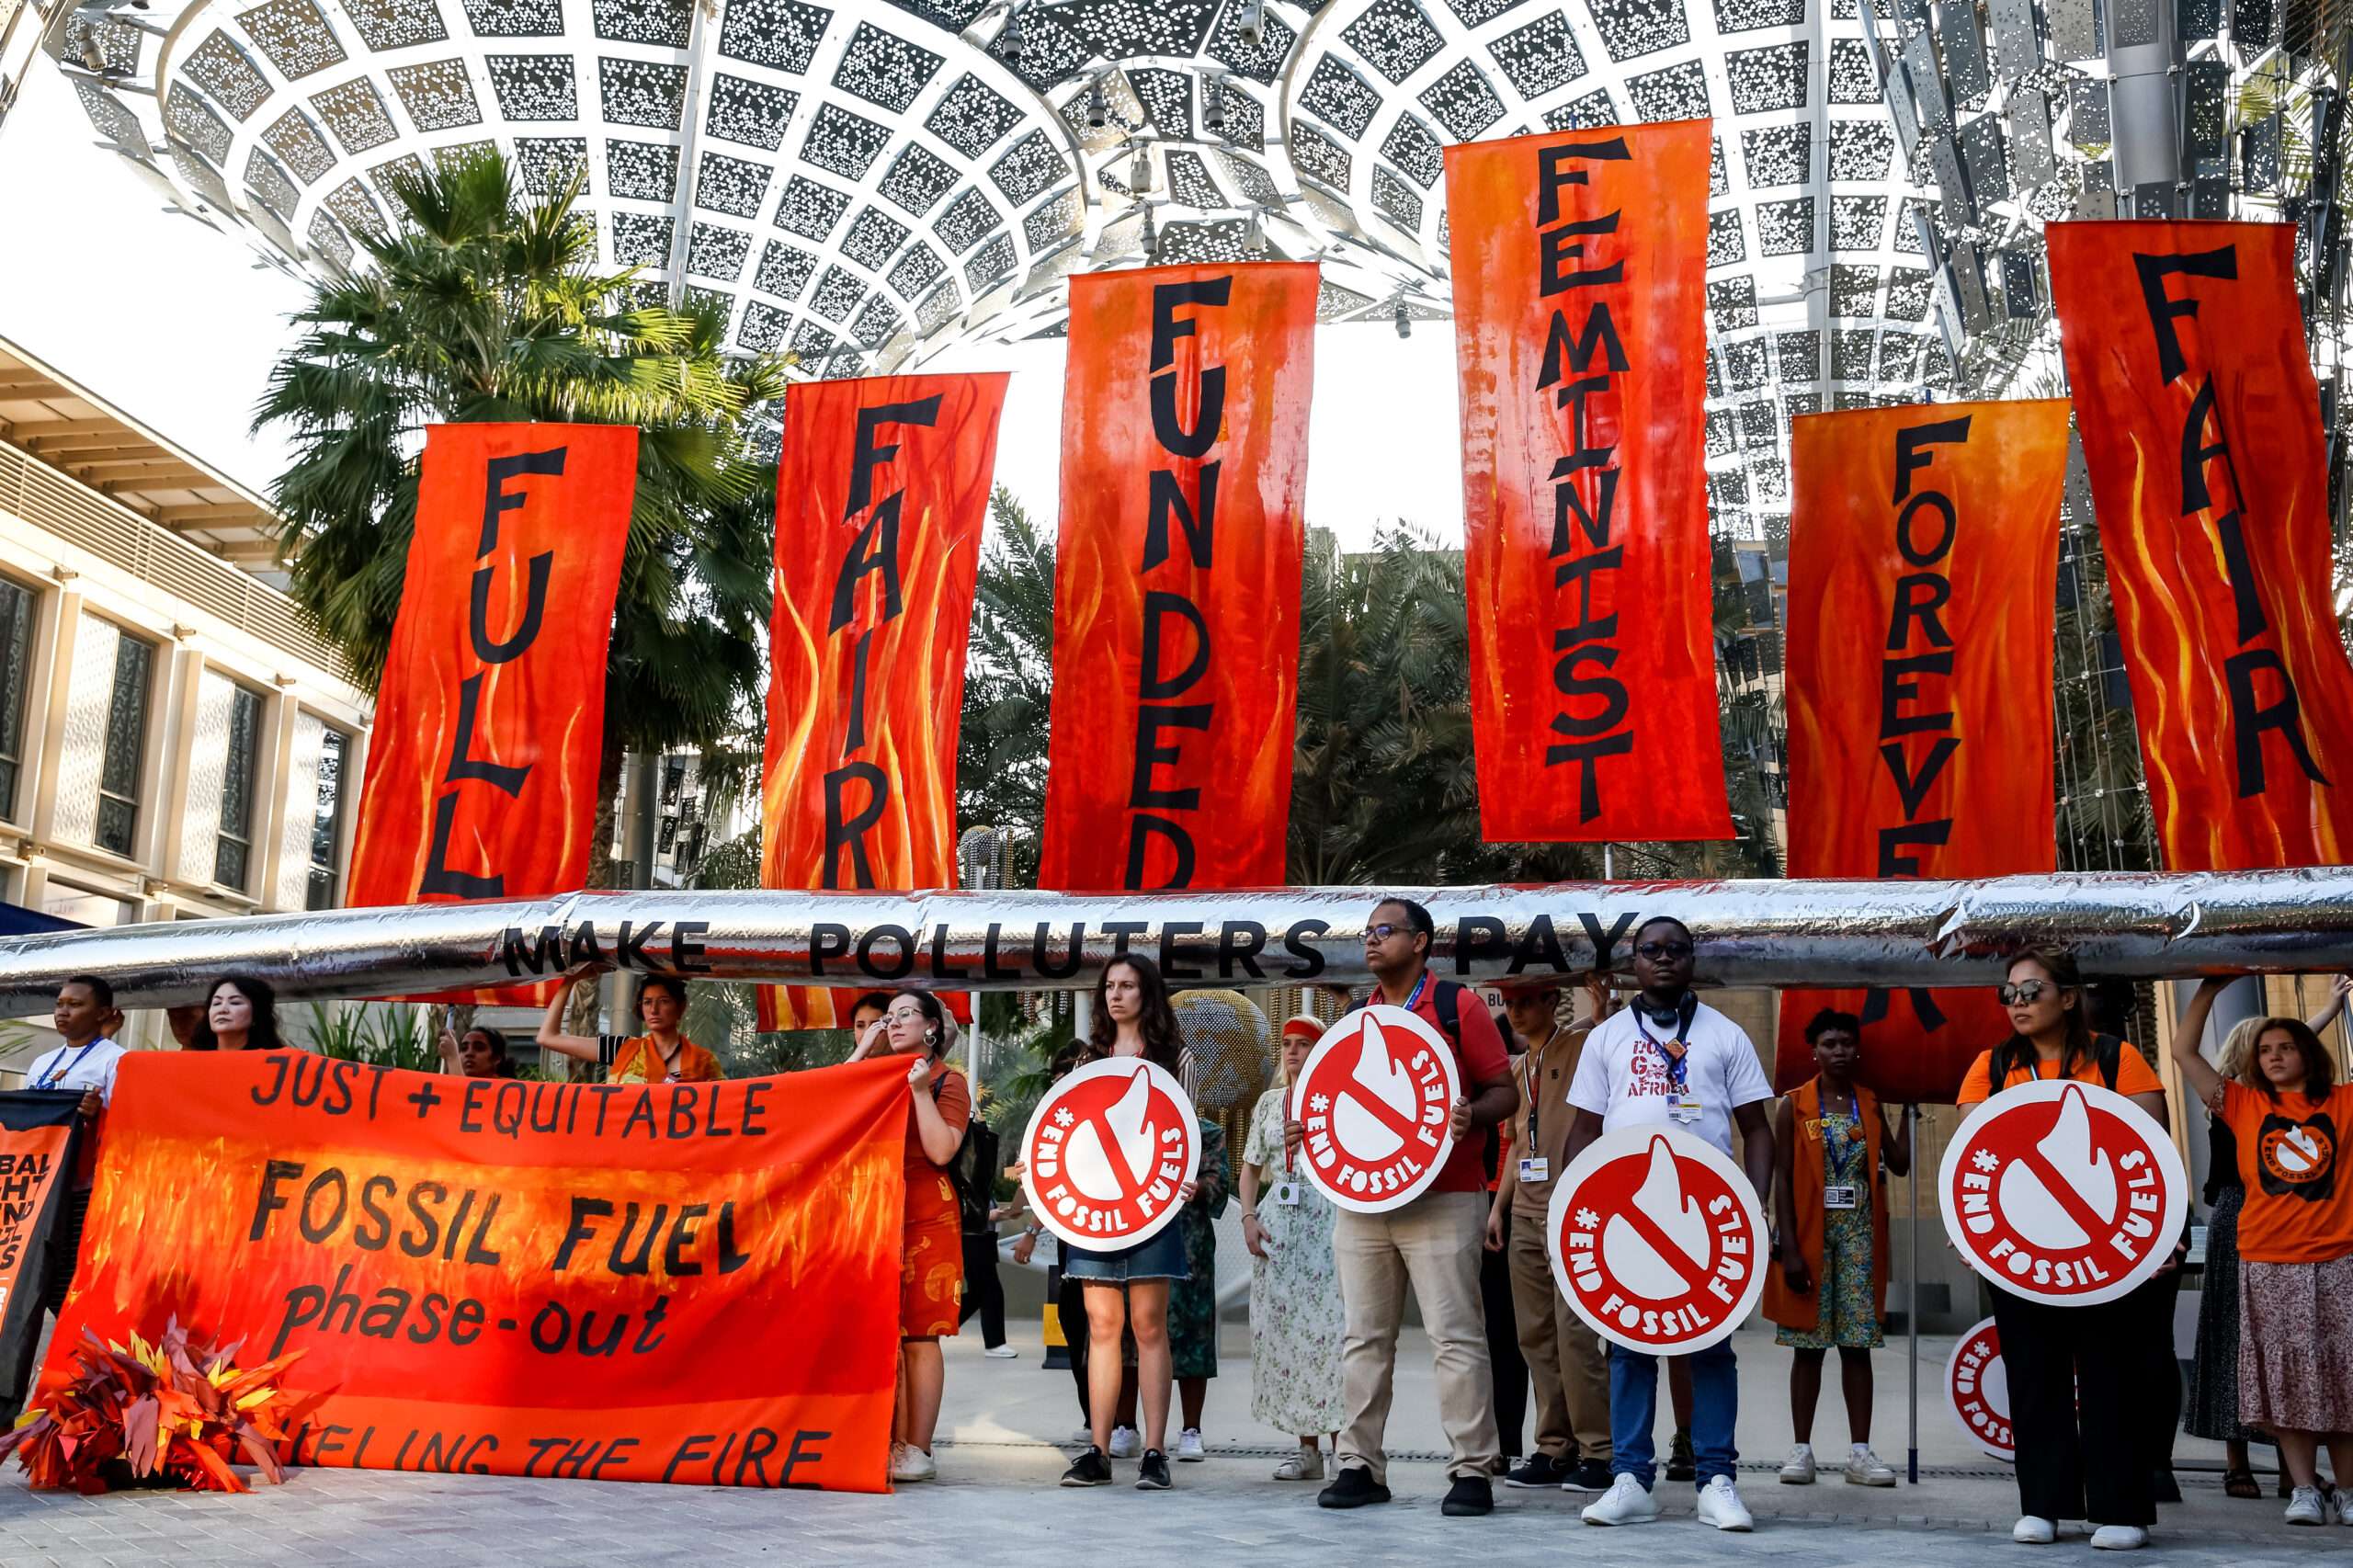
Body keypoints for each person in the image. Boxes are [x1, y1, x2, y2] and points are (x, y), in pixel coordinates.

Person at [1297, 897, 1517, 1518]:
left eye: (1385, 931)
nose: (1372, 941)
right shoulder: (1356, 1016)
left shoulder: (1457, 1006)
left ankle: (1472, 1470)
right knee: (1363, 1338)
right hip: (1364, 1201)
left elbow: (1503, 1090)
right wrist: (1306, 1132)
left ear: (1420, 943)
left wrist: (1473, 1112)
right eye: (1367, 932)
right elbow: (1334, 1106)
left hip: (1445, 1196)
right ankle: (1359, 1465)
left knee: (1456, 1337)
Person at [1565, 915, 1775, 1531]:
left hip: (1707, 1223)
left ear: (1691, 961)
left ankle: (1717, 1480)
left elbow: (1758, 1132)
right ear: (1634, 961)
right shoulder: (1605, 1038)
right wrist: (1570, 1213)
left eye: (1675, 951)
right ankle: (1630, 1478)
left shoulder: (1726, 1035)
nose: (1663, 959)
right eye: (1651, 950)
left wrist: (1754, 1209)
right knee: (1628, 1348)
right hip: (1625, 1222)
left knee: (1711, 1348)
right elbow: (1582, 1131)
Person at [1957, 947, 2169, 1551]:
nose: (2018, 1004)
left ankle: (2120, 1509)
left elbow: (2148, 1155)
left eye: (2032, 991)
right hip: (2023, 1254)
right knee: (2032, 1375)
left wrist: (2156, 1238)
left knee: (2112, 1375)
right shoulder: (1991, 1067)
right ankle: (2044, 1505)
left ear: (2068, 997)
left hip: (2104, 1253)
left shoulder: (2116, 1058)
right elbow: (1976, 1159)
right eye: (2010, 994)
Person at [2169, 978, 2353, 1527]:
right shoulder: (2243, 1106)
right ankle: (2303, 1489)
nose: (2273, 1057)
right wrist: (2209, 987)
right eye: (2264, 1050)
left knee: (2344, 1376)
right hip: (2270, 1260)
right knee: (2286, 1377)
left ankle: (2346, 1488)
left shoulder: (2343, 1103)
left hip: (2340, 1258)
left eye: (2286, 1047)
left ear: (2308, 1053)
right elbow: (2182, 1051)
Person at [1053, 954, 1199, 1492]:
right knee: (1102, 1328)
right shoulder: (1084, 1061)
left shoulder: (1173, 1058)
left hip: (1153, 1206)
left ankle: (1155, 1451)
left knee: (1149, 1325)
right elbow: (1064, 1133)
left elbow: (1184, 1129)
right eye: (1110, 986)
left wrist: (1186, 1181)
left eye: (1129, 986)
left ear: (1147, 994)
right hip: (1095, 1209)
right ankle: (1099, 1448)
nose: (1117, 995)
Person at [1763, 1008, 1908, 1487]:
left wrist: (1908, 1108)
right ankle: (1801, 1450)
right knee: (1808, 1348)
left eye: (1847, 1043)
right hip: (1810, 1238)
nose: (1840, 1051)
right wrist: (1788, 1245)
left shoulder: (1868, 1102)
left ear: (1857, 1048)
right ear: (1814, 1051)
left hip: (1859, 1241)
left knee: (1856, 1347)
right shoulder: (1794, 1104)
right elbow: (1782, 1177)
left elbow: (1901, 1163)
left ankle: (1860, 1454)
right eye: (1830, 1044)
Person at [1487, 977, 1613, 1493]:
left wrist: (1603, 1008)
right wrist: (1499, 1209)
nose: (1514, 1012)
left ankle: (1599, 1451)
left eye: (1524, 1002)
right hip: (1523, 1216)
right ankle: (1553, 1447)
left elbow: (1609, 1042)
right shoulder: (1519, 1069)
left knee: (1575, 1334)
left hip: (1572, 1212)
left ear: (1549, 1002)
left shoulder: (1580, 1046)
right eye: (1509, 1003)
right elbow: (1518, 1146)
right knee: (1534, 1335)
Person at [848, 987, 971, 1483]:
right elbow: (829, 1104)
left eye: (905, 1016)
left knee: (921, 1334)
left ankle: (917, 1446)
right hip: (875, 1210)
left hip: (925, 1215)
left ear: (932, 1028)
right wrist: (863, 1051)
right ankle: (880, 1439)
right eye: (887, 1018)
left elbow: (942, 1151)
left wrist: (920, 1091)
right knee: (876, 1331)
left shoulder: (947, 1082)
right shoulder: (874, 1075)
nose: (893, 1024)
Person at [2, 976, 129, 1422]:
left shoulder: (118, 1062)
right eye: (59, 1003)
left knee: (71, 1286)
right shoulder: (41, 1063)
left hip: (83, 1191)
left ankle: (100, 1377)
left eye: (75, 1004)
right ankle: (82, 1377)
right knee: (43, 1283)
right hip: (40, 1190)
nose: (62, 1011)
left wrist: (102, 1115)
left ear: (102, 1013)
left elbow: (129, 1124)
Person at [1241, 1014, 1345, 1480]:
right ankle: (1307, 1449)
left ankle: (1347, 1450)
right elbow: (1250, 1166)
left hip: (1328, 1224)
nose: (1293, 1051)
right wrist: (1248, 1216)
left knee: (1333, 1336)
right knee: (1286, 1337)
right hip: (1280, 1223)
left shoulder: (1338, 1099)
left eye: (1304, 1044)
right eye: (1287, 1043)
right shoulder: (1268, 1103)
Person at [1169, 1114, 1230, 1460]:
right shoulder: (1130, 1125)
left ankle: (1191, 1429)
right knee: (1129, 1335)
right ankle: (1125, 1425)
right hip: (1137, 1241)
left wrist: (1201, 1188)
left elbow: (1220, 1182)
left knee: (1192, 1335)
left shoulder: (1204, 1131)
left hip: (1189, 1245)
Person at [536, 974, 721, 1083]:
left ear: (681, 1007)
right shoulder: (622, 1048)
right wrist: (571, 981)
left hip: (679, 1147)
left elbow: (725, 1108)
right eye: (647, 1002)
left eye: (664, 1001)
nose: (654, 1010)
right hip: (628, 1146)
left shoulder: (703, 1061)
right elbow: (547, 1037)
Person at [950, 1105, 1016, 1358]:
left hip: (982, 1231)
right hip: (972, 1232)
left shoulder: (976, 1164)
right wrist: (985, 1215)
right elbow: (964, 1197)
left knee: (982, 1289)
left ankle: (944, 1323)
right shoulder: (962, 1156)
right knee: (989, 1288)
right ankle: (995, 1342)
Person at [189, 974, 282, 1052]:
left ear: (257, 1014)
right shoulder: (194, 1062)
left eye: (235, 1002)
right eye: (217, 1003)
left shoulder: (275, 1060)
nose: (222, 1010)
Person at [437, 1022, 518, 1079]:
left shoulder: (507, 1088)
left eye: (479, 1048)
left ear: (496, 1058)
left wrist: (452, 1058)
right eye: (464, 1049)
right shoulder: (447, 1082)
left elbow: (464, 1099)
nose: (469, 1053)